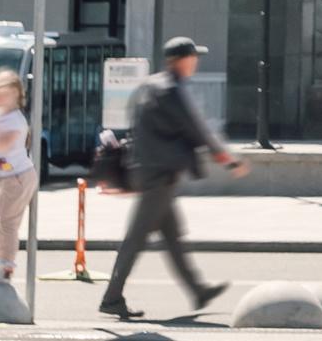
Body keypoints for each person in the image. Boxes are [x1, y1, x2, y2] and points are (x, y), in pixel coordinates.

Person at [98, 36, 243, 319]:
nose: (196, 62)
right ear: (179, 60)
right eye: (193, 57)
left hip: (147, 171)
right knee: (135, 238)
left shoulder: (150, 85)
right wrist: (226, 158)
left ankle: (198, 290)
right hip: (159, 176)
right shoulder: (171, 89)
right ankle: (111, 297)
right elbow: (196, 128)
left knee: (173, 235)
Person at [0, 68, 39, 287]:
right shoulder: (0, 113)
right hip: (10, 177)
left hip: (18, 177)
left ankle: (6, 267)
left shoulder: (15, 120)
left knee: (8, 223)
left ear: (14, 92)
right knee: (1, 222)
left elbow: (2, 144)